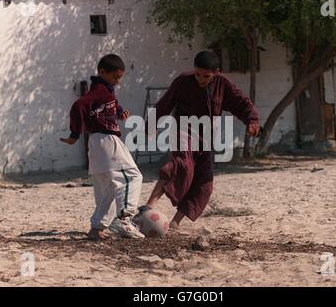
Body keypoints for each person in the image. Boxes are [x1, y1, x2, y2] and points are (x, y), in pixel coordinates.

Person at [140, 51, 260, 230]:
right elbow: (165, 103)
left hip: (207, 138)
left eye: (206, 76)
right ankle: (149, 206)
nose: (201, 79)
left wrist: (252, 121)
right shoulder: (183, 81)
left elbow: (241, 103)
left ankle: (175, 223)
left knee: (204, 184)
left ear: (216, 73)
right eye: (198, 74)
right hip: (183, 130)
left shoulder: (223, 84)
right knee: (182, 164)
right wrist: (151, 125)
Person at [60, 54, 145, 240]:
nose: (118, 81)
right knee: (132, 176)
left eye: (120, 77)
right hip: (107, 141)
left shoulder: (105, 92)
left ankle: (97, 228)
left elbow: (106, 106)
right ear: (102, 72)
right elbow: (78, 105)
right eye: (115, 77)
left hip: (95, 143)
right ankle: (124, 219)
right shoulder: (100, 92)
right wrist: (75, 134)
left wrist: (119, 112)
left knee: (106, 188)